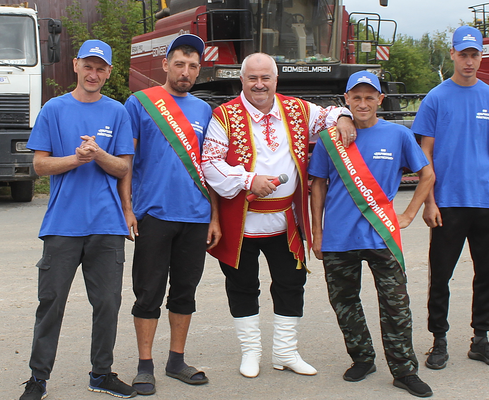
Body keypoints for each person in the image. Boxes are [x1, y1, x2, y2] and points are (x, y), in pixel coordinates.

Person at [201, 52, 356, 378]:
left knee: (291, 283)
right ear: (241, 80)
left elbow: (330, 114)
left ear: (275, 80)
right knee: (242, 285)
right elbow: (210, 164)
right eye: (252, 78)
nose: (259, 84)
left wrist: (343, 118)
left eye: (265, 78)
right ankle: (251, 352)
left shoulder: (298, 110)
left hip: (286, 220)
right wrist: (248, 180)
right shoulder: (224, 116)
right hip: (241, 219)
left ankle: (285, 352)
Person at [20, 40, 136, 399]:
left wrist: (98, 153)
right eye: (88, 66)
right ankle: (38, 379)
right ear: (75, 66)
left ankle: (101, 373)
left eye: (101, 68)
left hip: (106, 225)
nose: (93, 73)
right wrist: (75, 159)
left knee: (108, 304)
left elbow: (123, 167)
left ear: (109, 73)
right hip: (62, 225)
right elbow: (39, 165)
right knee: (51, 303)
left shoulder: (118, 112)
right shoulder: (53, 110)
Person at [309, 71, 435, 397]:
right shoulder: (329, 139)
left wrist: (408, 214)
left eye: (370, 97)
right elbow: (318, 185)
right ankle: (362, 358)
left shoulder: (398, 135)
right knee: (345, 303)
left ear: (380, 100)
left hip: (382, 235)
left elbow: (427, 175)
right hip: (338, 238)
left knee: (396, 305)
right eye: (356, 97)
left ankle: (404, 370)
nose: (363, 103)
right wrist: (317, 232)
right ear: (346, 100)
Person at [118, 34, 220, 395]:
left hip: (195, 216)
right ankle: (144, 366)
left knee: (184, 292)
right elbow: (126, 163)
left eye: (193, 66)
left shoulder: (204, 111)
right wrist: (127, 209)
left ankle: (176, 360)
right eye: (179, 63)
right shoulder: (139, 102)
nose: (186, 71)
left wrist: (215, 218)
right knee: (147, 292)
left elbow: (213, 168)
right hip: (154, 214)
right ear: (165, 64)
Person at [411, 25, 489, 369]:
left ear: (481, 56)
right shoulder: (436, 98)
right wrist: (429, 201)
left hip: (486, 201)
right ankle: (438, 340)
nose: (469, 61)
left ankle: (480, 338)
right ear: (452, 54)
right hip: (448, 202)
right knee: (441, 275)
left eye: (475, 55)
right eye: (463, 54)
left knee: (488, 273)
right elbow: (425, 153)